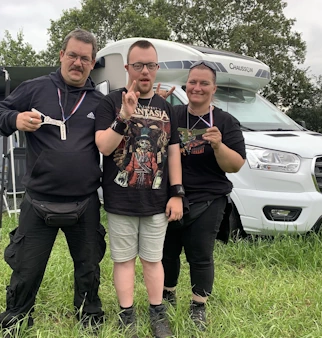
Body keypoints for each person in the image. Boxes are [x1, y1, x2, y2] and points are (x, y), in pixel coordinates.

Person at [0, 28, 107, 335]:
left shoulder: (99, 101)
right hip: (39, 200)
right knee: (26, 269)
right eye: (72, 55)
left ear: (92, 62)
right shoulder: (35, 88)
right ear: (61, 56)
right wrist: (15, 120)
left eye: (85, 58)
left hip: (84, 201)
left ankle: (89, 317)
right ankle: (16, 319)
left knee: (89, 267)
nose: (77, 63)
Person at [95, 40, 184, 338]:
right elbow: (104, 147)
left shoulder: (165, 108)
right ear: (127, 68)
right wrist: (124, 115)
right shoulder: (108, 102)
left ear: (157, 68)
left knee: (152, 258)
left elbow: (172, 154)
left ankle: (157, 313)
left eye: (150, 65)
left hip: (157, 200)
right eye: (138, 65)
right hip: (121, 198)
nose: (144, 71)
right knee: (123, 260)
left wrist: (176, 193)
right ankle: (127, 315)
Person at [160, 60, 246, 332]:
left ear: (214, 88)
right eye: (193, 82)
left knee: (200, 254)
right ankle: (167, 294)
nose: (197, 87)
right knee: (167, 252)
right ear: (186, 85)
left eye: (204, 83)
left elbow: (235, 165)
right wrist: (155, 109)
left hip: (209, 198)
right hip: (171, 195)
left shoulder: (225, 121)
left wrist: (219, 145)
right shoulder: (172, 114)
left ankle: (198, 305)